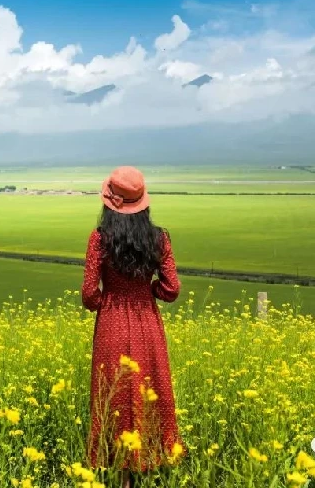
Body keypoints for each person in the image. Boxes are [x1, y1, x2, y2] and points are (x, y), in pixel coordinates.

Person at [81, 166, 188, 488]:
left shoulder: (99, 238)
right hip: (147, 324)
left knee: (113, 393)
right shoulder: (159, 238)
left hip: (111, 323)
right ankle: (150, 461)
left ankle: (120, 473)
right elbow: (172, 290)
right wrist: (147, 291)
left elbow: (89, 294)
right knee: (149, 388)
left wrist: (108, 301)